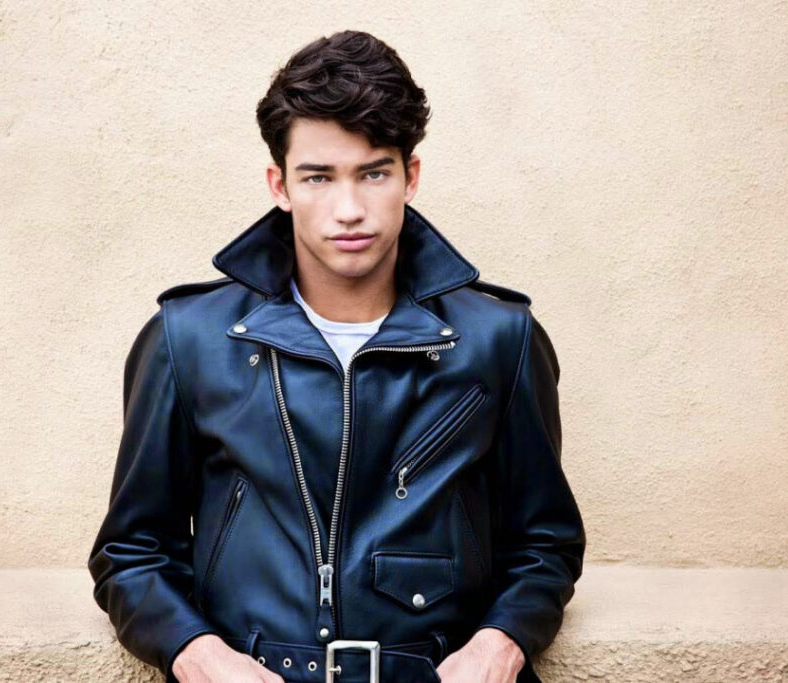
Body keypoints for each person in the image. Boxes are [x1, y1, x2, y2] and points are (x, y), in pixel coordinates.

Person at [88, 29, 585, 683]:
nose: (349, 209)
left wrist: (499, 645)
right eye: (318, 177)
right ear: (280, 184)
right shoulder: (190, 339)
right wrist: (199, 655)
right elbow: (131, 551)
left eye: (373, 173)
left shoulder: (498, 338)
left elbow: (545, 543)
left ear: (409, 176)